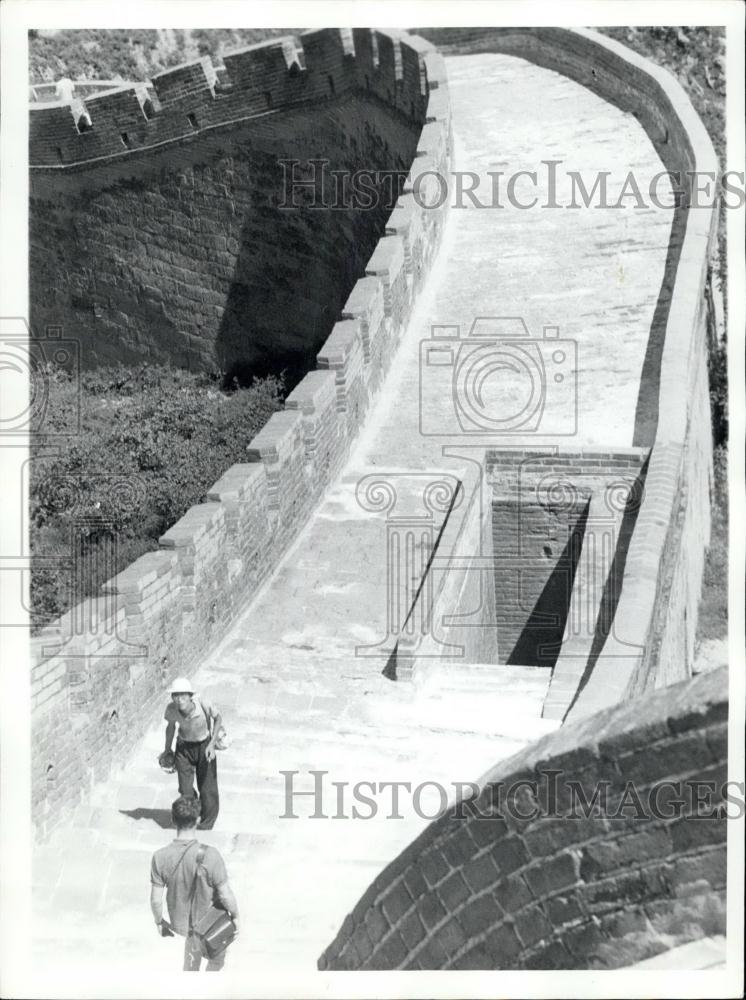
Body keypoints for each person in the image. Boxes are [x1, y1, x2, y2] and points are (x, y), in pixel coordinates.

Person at [150, 795, 240, 971]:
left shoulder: (160, 857)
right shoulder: (211, 855)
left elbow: (155, 900)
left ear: (173, 819)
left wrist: (159, 922)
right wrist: (236, 915)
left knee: (191, 962)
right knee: (216, 960)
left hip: (185, 926)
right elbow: (225, 893)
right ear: (198, 819)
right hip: (211, 922)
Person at [163, 677, 222, 830]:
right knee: (185, 789)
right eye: (176, 696)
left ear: (190, 696)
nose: (179, 700)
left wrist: (211, 744)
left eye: (183, 695)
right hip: (184, 748)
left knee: (207, 788)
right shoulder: (171, 710)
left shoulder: (203, 704)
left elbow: (218, 718)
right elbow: (170, 728)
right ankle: (192, 812)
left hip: (204, 746)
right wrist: (167, 749)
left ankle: (207, 823)